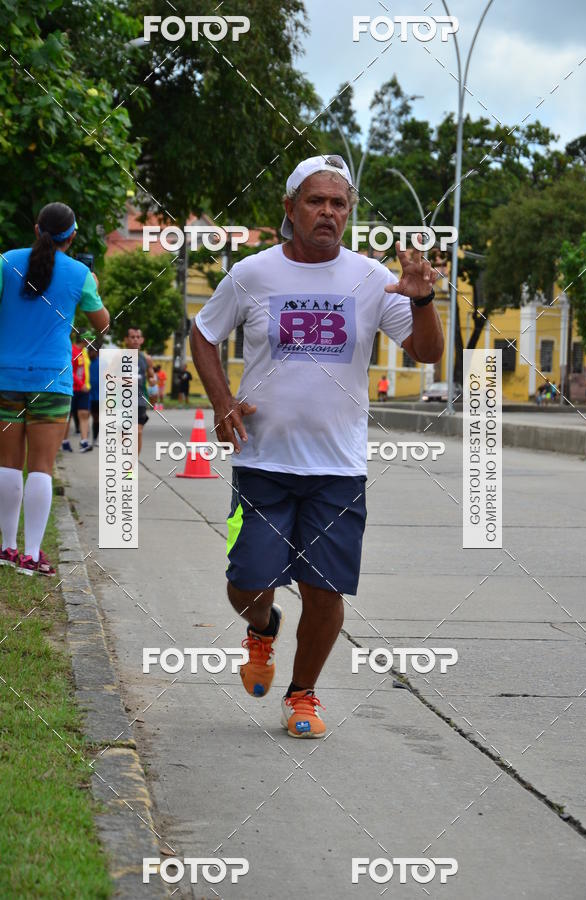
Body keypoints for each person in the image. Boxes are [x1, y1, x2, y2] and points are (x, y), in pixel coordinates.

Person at [191, 155, 443, 738]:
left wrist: (422, 299)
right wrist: (222, 401)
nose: (328, 212)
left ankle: (302, 694)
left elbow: (428, 353)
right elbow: (203, 333)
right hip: (262, 461)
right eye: (315, 201)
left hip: (338, 467)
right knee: (247, 582)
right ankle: (262, 627)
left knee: (325, 590)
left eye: (338, 203)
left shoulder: (371, 277)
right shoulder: (253, 273)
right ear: (290, 208)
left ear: (349, 212)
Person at [0, 202, 109, 575]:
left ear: (36, 229)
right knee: (41, 467)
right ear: (72, 236)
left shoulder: (6, 262)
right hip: (51, 379)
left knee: (7, 463)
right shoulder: (80, 274)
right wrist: (91, 288)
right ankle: (31, 556)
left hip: (6, 376)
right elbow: (102, 323)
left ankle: (6, 548)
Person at [123, 326, 155, 454]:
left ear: (142, 340)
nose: (135, 340)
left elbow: (151, 376)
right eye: (132, 337)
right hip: (123, 400)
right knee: (125, 434)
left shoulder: (146, 359)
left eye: (138, 337)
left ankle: (132, 464)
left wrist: (152, 381)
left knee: (138, 431)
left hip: (140, 399)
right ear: (126, 339)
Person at [67, 330, 94, 452]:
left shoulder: (84, 351)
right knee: (69, 416)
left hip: (84, 390)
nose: (91, 341)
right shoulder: (72, 350)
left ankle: (84, 442)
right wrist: (80, 383)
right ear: (83, 339)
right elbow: (69, 370)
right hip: (73, 388)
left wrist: (86, 384)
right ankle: (64, 441)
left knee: (84, 413)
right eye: (89, 338)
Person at [88, 342, 100, 446]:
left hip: (100, 396)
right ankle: (87, 438)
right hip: (89, 395)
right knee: (87, 416)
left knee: (97, 418)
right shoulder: (87, 362)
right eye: (89, 351)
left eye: (92, 351)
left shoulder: (102, 363)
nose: (90, 353)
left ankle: (96, 438)